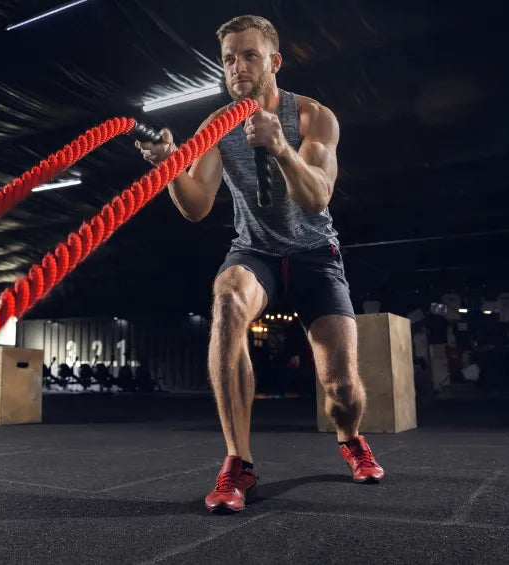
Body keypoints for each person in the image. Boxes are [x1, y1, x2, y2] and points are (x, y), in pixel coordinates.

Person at [136, 14, 385, 514]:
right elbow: (197, 205)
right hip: (256, 252)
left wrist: (279, 147)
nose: (237, 66)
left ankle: (351, 438)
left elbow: (317, 197)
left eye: (249, 55)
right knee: (227, 297)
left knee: (342, 391)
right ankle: (238, 462)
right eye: (229, 58)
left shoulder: (314, 117)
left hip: (315, 255)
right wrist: (167, 166)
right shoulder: (216, 127)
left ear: (274, 61)